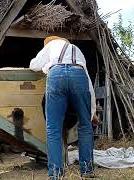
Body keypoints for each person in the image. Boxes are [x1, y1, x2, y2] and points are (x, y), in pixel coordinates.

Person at [29, 36, 96, 179]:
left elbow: (33, 65)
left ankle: (56, 173)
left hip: (56, 75)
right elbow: (88, 80)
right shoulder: (76, 50)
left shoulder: (51, 46)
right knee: (85, 126)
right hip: (79, 76)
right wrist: (92, 111)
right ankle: (87, 170)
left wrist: (46, 66)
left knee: (53, 128)